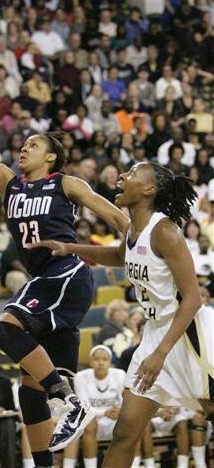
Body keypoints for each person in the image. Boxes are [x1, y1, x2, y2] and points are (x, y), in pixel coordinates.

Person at [0, 47, 129, 461]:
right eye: (22, 144)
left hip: (66, 275)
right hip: (44, 282)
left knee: (4, 330)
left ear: (51, 156)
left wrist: (144, 246)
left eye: (31, 144)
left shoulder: (67, 183)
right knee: (29, 390)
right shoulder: (10, 184)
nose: (21, 149)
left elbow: (117, 216)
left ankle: (70, 399)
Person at [31, 161, 214, 468]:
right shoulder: (133, 230)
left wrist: (160, 354)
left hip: (191, 336)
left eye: (131, 174)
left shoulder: (166, 232)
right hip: (157, 332)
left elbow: (193, 299)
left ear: (149, 189)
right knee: (125, 432)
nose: (122, 177)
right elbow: (119, 256)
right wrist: (69, 248)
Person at [63, 345, 155, 468]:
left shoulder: (119, 374)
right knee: (89, 423)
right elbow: (84, 408)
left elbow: (125, 402)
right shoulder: (81, 377)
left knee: (133, 423)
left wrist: (118, 411)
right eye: (97, 359)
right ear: (90, 362)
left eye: (104, 359)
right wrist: (105, 412)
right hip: (94, 423)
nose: (100, 363)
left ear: (110, 362)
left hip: (115, 421)